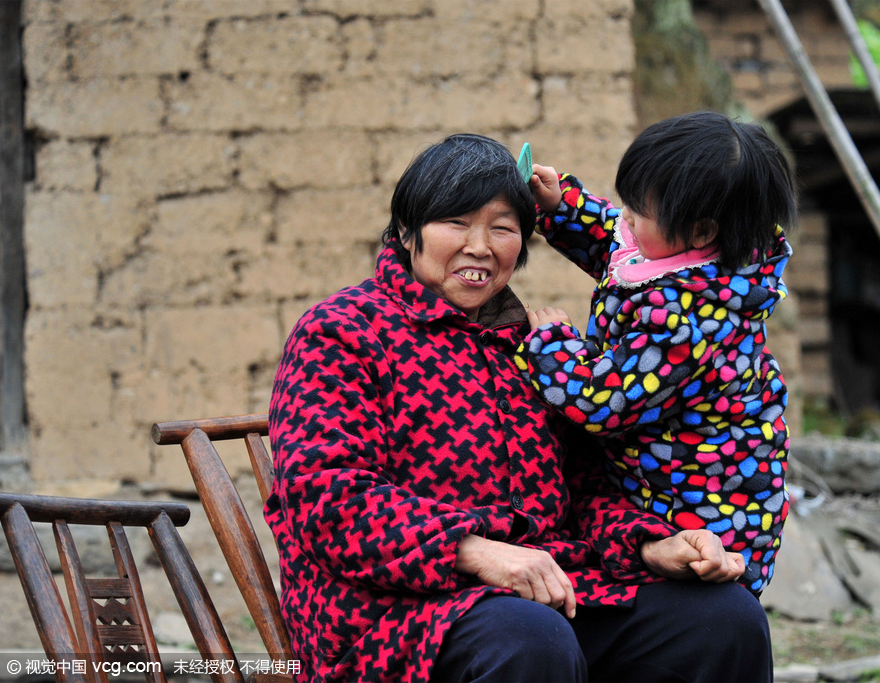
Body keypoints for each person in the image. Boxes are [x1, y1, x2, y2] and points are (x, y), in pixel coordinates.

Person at [265, 133, 773, 682]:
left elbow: (584, 482)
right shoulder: (342, 331)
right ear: (407, 230)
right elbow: (327, 496)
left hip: (547, 588)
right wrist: (476, 551)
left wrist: (650, 543)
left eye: (503, 227)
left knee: (724, 618)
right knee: (530, 637)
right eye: (456, 222)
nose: (480, 246)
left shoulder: (532, 346)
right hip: (392, 611)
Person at [518, 111, 796, 595]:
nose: (625, 216)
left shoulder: (689, 321)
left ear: (702, 231)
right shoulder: (684, 254)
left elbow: (604, 402)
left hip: (705, 507)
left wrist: (552, 347)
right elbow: (617, 243)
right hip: (667, 472)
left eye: (639, 210)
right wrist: (563, 206)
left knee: (681, 602)